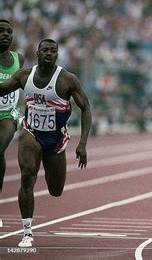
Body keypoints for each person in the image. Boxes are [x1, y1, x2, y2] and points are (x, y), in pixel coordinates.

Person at [0, 38, 92, 247]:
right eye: (44, 50)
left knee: (56, 190)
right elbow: (3, 89)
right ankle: (27, 232)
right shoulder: (25, 76)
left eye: (52, 51)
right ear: (38, 53)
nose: (48, 53)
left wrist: (83, 143)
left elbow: (86, 108)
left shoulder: (67, 80)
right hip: (31, 133)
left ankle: (28, 229)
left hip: (56, 140)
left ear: (57, 55)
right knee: (26, 175)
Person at [0, 20, 25, 228]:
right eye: (1, 31)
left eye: (9, 32)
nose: (6, 35)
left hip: (8, 114)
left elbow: (24, 86)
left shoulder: (19, 59)